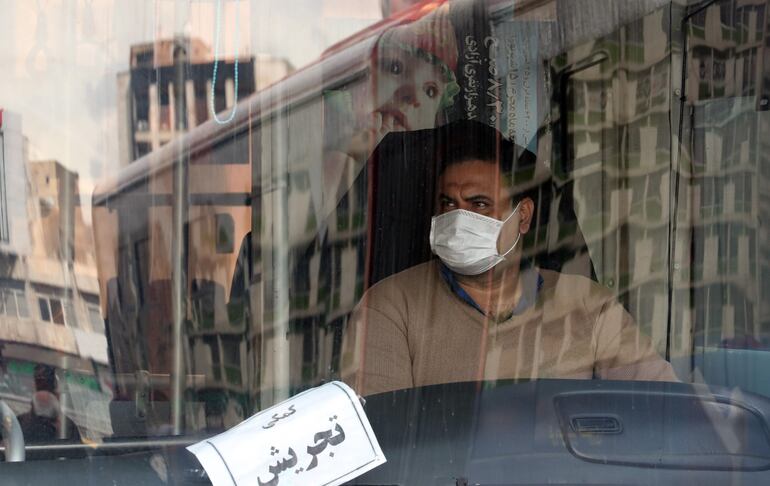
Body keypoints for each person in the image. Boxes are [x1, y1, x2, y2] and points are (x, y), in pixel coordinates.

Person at [342, 120, 678, 396]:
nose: (459, 219)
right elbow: (381, 436)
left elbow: (662, 407)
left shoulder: (587, 303)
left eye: (479, 204)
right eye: (448, 204)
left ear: (524, 216)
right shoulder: (389, 307)